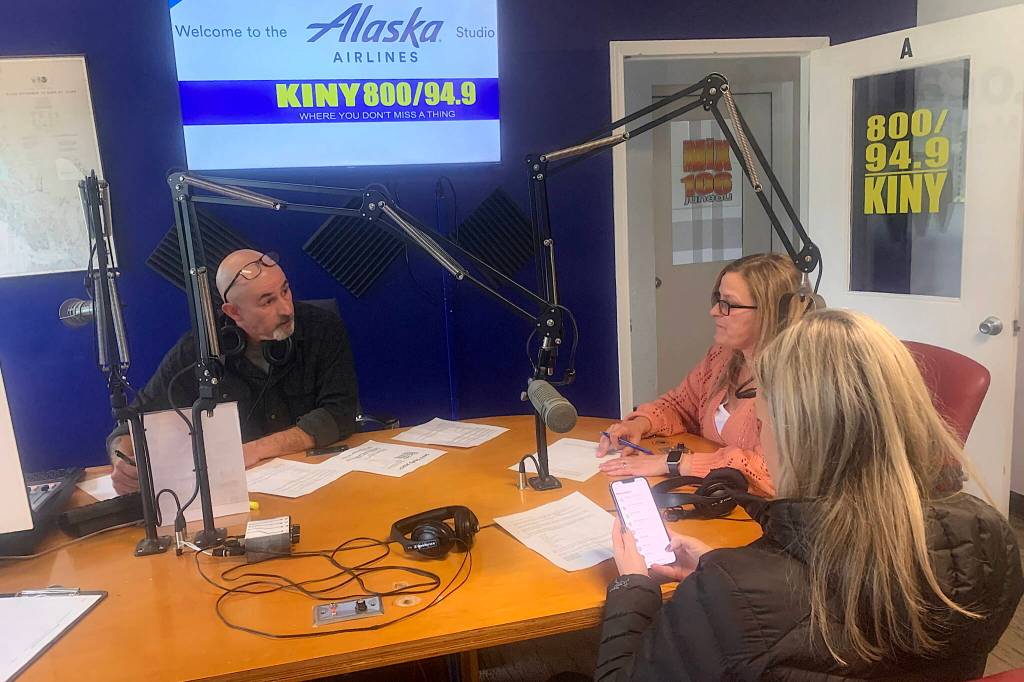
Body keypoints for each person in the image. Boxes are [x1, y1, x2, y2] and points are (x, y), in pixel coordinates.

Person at [597, 310, 1023, 681]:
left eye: (764, 423)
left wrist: (633, 585)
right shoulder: (992, 540)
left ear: (798, 437)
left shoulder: (733, 593)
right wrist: (718, 576)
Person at [108, 249, 359, 495]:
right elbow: (134, 423)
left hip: (318, 479)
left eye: (285, 290)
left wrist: (254, 450)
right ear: (234, 312)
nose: (286, 309)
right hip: (239, 493)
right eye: (268, 301)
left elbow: (340, 413)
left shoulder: (322, 328)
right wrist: (124, 460)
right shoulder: (199, 350)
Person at [597, 253, 802, 496]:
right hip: (715, 496)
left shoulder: (795, 381)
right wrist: (640, 424)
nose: (714, 311)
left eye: (728, 304)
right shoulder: (722, 356)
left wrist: (676, 462)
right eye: (718, 300)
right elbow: (679, 405)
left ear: (770, 312)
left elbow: (770, 472)